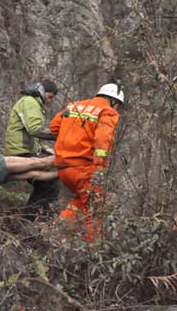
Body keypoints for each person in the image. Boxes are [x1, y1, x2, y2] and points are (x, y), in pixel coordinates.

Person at [50, 83, 124, 242]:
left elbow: (54, 127)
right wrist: (99, 168)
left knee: (81, 200)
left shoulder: (74, 105)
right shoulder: (108, 111)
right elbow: (103, 139)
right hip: (83, 169)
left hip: (63, 167)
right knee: (97, 208)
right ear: (114, 101)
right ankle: (93, 246)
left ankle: (57, 231)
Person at [3, 80, 60, 220]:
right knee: (49, 184)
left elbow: (32, 134)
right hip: (20, 151)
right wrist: (60, 135)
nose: (50, 101)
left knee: (47, 183)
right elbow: (34, 129)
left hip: (24, 150)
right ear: (42, 91)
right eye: (50, 96)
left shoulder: (34, 103)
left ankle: (33, 218)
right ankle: (30, 219)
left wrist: (46, 149)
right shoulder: (30, 102)